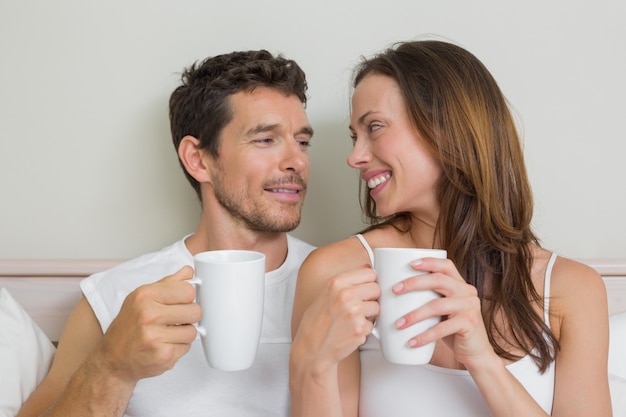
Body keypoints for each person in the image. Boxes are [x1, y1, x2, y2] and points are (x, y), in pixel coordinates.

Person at [289, 40, 612, 417]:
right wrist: (312, 365)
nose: (355, 156)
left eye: (374, 127)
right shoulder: (336, 275)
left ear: (448, 130)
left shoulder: (573, 290)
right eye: (354, 136)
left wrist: (483, 361)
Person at [18, 49, 315, 417]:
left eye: (302, 141)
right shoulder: (115, 297)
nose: (297, 161)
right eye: (265, 139)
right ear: (198, 159)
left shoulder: (339, 285)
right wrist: (113, 366)